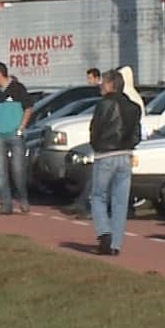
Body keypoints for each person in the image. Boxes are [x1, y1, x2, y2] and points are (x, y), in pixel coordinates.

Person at [87, 69, 143, 256]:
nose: (100, 86)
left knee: (98, 196)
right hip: (125, 155)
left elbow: (96, 128)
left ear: (111, 84)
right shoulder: (134, 107)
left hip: (106, 155)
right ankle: (115, 245)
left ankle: (104, 233)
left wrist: (96, 146)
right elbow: (137, 134)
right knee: (120, 202)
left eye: (103, 82)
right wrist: (129, 146)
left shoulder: (105, 104)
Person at [0, 62, 33, 215]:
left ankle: (23, 198)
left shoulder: (18, 88)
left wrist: (21, 128)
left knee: (18, 170)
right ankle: (5, 204)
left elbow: (28, 108)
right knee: (0, 172)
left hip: (15, 135)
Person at [62, 67, 105, 218]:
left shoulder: (113, 102)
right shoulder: (102, 101)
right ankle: (83, 203)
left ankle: (90, 207)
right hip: (103, 147)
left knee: (103, 178)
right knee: (96, 176)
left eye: (90, 78)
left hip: (112, 149)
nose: (89, 82)